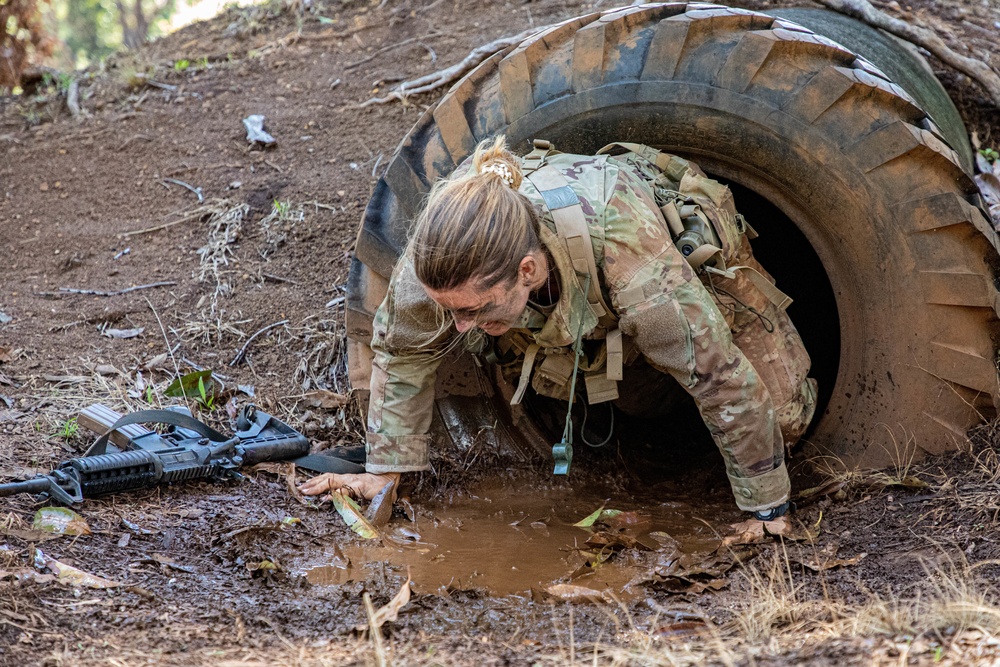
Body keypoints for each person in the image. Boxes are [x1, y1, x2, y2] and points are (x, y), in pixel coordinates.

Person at [300, 136, 817, 521]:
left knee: (785, 418)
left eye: (474, 311)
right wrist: (386, 472)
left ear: (526, 270)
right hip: (575, 310)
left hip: (673, 260)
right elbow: (402, 349)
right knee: (634, 400)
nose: (459, 326)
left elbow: (715, 373)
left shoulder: (629, 254)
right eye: (451, 310)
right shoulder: (438, 257)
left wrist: (768, 508)